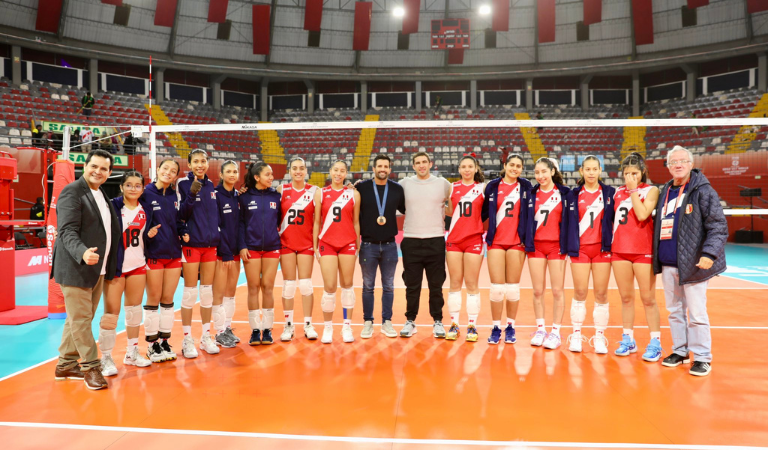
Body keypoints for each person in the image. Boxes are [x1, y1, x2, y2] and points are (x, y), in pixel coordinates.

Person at [654, 146, 727, 377]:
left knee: (696, 313)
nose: (678, 164)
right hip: (668, 261)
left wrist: (709, 254)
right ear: (667, 166)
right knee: (674, 311)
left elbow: (718, 226)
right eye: (673, 161)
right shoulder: (664, 190)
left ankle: (703, 357)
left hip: (694, 262)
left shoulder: (703, 190)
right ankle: (680, 351)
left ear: (690, 163)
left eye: (683, 161)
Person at [52, 149, 120, 390]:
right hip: (76, 266)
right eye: (94, 166)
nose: (98, 171)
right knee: (81, 319)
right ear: (85, 166)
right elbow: (67, 231)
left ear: (109, 173)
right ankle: (91, 367)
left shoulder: (102, 194)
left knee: (79, 318)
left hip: (96, 269)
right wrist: (82, 252)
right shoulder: (71, 192)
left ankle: (65, 364)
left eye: (103, 168)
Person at [98, 171, 156, 376]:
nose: (133, 189)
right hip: (116, 266)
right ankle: (105, 357)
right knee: (110, 314)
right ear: (121, 187)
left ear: (143, 188)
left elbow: (142, 237)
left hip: (138, 264)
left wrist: (149, 235)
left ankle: (131, 352)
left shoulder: (146, 208)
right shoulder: (112, 205)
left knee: (133, 311)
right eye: (129, 185)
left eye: (138, 185)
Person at [611, 152, 662, 362]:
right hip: (619, 251)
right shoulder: (616, 193)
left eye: (634, 173)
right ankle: (628, 338)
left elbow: (642, 215)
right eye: (626, 173)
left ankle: (656, 342)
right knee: (625, 298)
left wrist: (633, 190)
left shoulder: (652, 190)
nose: (630, 176)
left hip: (643, 251)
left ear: (643, 172)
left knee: (648, 299)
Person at [565, 156, 615, 354]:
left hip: (602, 249)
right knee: (580, 292)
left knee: (601, 293)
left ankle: (599, 336)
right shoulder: (574, 194)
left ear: (600, 170)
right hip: (581, 249)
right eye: (588, 169)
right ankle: (576, 335)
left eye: (595, 169)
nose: (591, 172)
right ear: (581, 171)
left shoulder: (610, 193)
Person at [399, 152, 451, 338]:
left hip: (435, 239)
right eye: (417, 163)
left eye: (424, 162)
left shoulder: (443, 184)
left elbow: (455, 202)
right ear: (413, 166)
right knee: (412, 286)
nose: (421, 165)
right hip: (411, 239)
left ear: (431, 164)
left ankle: (438, 321)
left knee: (436, 285)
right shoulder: (405, 184)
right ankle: (410, 321)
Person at [482, 153, 532, 345]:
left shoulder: (526, 186)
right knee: (496, 289)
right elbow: (483, 210)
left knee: (512, 289)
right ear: (505, 165)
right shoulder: (493, 186)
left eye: (519, 166)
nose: (515, 168)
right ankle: (496, 327)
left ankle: (510, 326)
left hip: (516, 242)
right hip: (496, 241)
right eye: (512, 165)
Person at [355, 154, 405, 339]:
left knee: (389, 286)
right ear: (374, 169)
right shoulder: (361, 187)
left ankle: (387, 322)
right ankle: (368, 322)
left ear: (390, 169)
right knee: (368, 286)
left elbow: (407, 209)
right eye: (379, 166)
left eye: (386, 166)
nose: (382, 169)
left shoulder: (397, 189)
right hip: (368, 244)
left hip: (391, 245)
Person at [177, 149, 221, 358]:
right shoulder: (183, 184)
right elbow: (181, 215)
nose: (200, 165)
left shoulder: (212, 185)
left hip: (210, 246)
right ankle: (187, 339)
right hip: (192, 245)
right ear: (190, 164)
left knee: (207, 292)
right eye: (196, 161)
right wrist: (192, 193)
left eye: (203, 161)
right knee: (189, 292)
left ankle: (206, 336)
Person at [313, 160, 361, 344]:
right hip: (327, 242)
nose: (339, 174)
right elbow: (317, 221)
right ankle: (328, 327)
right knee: (330, 286)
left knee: (347, 285)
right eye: (336, 170)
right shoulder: (321, 193)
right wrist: (315, 245)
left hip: (348, 242)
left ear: (346, 173)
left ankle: (346, 327)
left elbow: (356, 222)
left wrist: (357, 245)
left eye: (342, 171)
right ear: (330, 171)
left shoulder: (353, 194)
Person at [525, 157, 570, 349]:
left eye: (544, 171)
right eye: (537, 172)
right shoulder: (530, 194)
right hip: (535, 246)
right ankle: (541, 329)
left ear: (552, 172)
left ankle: (556, 332)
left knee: (558, 290)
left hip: (556, 247)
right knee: (537, 290)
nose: (540, 176)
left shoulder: (565, 194)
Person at [143, 158, 183, 363]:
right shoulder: (146, 193)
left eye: (173, 170)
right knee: (153, 298)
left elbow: (178, 221)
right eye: (165, 168)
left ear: (176, 176)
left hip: (174, 254)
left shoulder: (175, 196)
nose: (168, 172)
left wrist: (183, 233)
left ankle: (165, 341)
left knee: (168, 300)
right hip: (155, 254)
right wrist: (145, 234)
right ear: (157, 169)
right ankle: (152, 345)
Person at [238, 162, 282, 346]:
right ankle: (255, 330)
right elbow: (240, 223)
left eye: (271, 174)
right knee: (253, 287)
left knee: (268, 287)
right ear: (257, 177)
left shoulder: (276, 196)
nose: (271, 177)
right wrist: (242, 245)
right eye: (267, 174)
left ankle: (267, 329)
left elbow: (279, 220)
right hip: (252, 248)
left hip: (272, 247)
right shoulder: (244, 197)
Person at [277, 157, 319, 341]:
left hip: (306, 244)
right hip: (286, 243)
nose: (298, 171)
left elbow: (318, 219)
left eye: (301, 168)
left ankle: (308, 324)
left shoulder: (314, 191)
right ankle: (288, 325)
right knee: (288, 286)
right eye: (294, 168)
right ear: (290, 170)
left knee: (305, 284)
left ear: (306, 170)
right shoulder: (282, 190)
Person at [445, 155, 486, 342]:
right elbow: (449, 210)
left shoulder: (482, 188)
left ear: (476, 168)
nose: (467, 169)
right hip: (454, 240)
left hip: (474, 240)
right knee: (454, 283)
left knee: (471, 283)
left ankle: (472, 325)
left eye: (470, 166)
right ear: (459, 169)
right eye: (463, 167)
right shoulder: (452, 187)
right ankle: (454, 323)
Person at [211, 161, 241, 348]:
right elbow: (217, 226)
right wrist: (225, 252)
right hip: (222, 253)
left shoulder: (238, 196)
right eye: (228, 171)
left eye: (235, 171)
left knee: (231, 293)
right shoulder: (215, 195)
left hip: (235, 251)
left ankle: (227, 328)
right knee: (219, 294)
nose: (232, 174)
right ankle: (219, 331)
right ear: (221, 175)